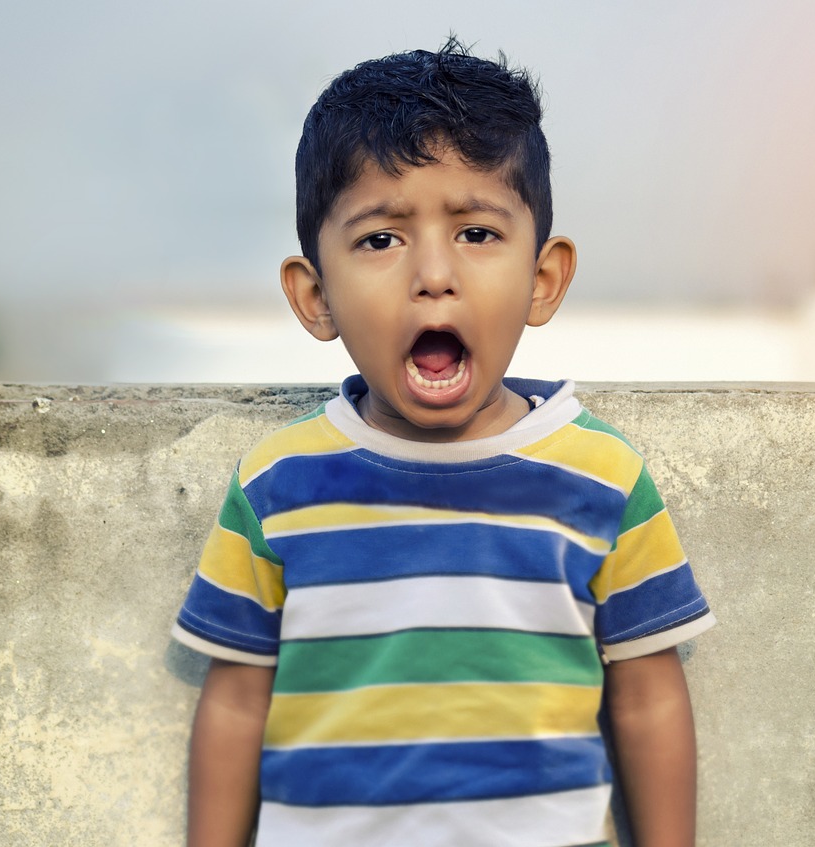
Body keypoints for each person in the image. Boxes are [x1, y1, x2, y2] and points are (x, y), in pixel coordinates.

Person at [171, 37, 715, 847]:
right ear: (315, 297)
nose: (433, 273)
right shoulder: (278, 484)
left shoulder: (601, 476)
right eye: (381, 240)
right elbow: (237, 699)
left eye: (477, 233)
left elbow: (647, 697)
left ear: (543, 279)